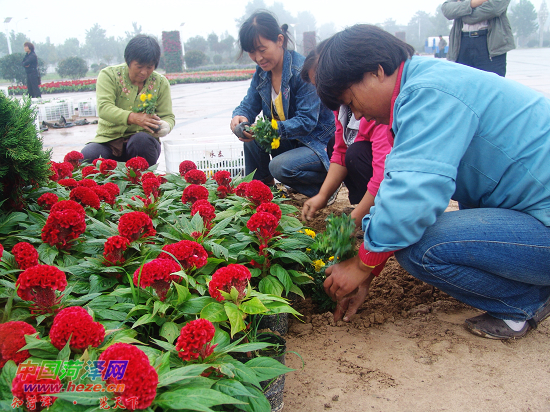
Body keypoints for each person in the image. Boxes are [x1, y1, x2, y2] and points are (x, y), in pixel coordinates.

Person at [314, 24, 550, 340]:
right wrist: (371, 269)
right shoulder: (421, 84)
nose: (358, 115)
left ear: (377, 72)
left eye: (352, 101)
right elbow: (399, 185)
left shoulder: (427, 94)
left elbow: (414, 199)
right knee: (414, 233)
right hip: (535, 214)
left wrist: (361, 266)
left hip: (542, 222)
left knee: (422, 247)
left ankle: (523, 302)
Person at [300, 45, 393, 320]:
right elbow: (338, 153)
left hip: (381, 177)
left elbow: (384, 176)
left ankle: (370, 216)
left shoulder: (375, 107)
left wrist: (355, 218)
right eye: (319, 87)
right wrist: (321, 196)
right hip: (374, 177)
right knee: (345, 150)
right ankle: (369, 216)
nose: (325, 93)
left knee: (358, 154)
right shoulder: (343, 110)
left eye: (326, 82)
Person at [230, 11, 335, 197]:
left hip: (314, 144)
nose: (258, 57)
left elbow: (307, 121)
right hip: (288, 144)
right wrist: (240, 117)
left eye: (262, 50)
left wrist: (268, 129)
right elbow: (248, 104)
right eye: (252, 52)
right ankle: (262, 192)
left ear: (279, 40)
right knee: (251, 139)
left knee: (278, 166)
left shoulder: (301, 71)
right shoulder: (262, 73)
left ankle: (324, 189)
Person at [81, 35, 175, 167]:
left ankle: (143, 182)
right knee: (87, 157)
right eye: (139, 66)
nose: (144, 72)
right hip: (109, 141)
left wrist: (166, 126)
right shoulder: (109, 75)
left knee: (141, 141)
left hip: (142, 143)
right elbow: (104, 108)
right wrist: (134, 118)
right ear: (128, 61)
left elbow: (168, 116)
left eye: (149, 67)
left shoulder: (160, 82)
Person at [442, 0, 515, 76]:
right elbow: (447, 9)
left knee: (491, 85)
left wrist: (464, 12)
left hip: (491, 45)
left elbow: (494, 8)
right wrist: (473, 3)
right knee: (463, 84)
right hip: (462, 43)